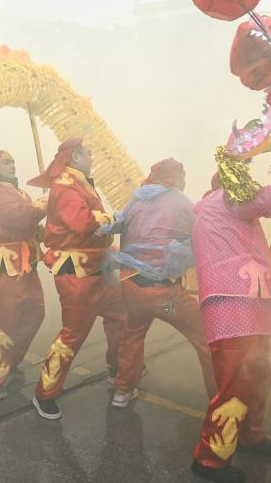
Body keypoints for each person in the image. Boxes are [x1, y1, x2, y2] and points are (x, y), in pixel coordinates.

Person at [190, 149, 271, 483]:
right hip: (232, 305)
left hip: (251, 304)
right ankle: (211, 459)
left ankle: (251, 436)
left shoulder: (229, 207)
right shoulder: (225, 200)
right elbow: (266, 200)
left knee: (258, 374)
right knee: (236, 382)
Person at [29, 138, 130, 420]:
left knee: (121, 317)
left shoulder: (79, 182)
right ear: (75, 156)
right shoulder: (65, 185)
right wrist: (113, 220)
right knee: (72, 335)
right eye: (89, 153)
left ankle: (117, 370)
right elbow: (81, 223)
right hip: (77, 274)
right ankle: (44, 394)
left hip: (99, 270)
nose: (92, 157)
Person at [104, 158, 216, 408]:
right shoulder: (181, 202)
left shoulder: (135, 200)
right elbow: (201, 239)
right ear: (175, 177)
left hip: (130, 285)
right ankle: (221, 400)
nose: (185, 181)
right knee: (206, 337)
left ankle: (122, 391)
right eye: (183, 176)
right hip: (164, 294)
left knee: (132, 334)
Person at [0, 149, 48, 398]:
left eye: (13, 161)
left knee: (34, 312)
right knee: (4, 320)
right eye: (6, 162)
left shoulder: (20, 193)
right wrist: (45, 203)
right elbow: (20, 217)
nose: (13, 165)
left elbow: (28, 225)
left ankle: (10, 362)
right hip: (3, 266)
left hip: (26, 264)